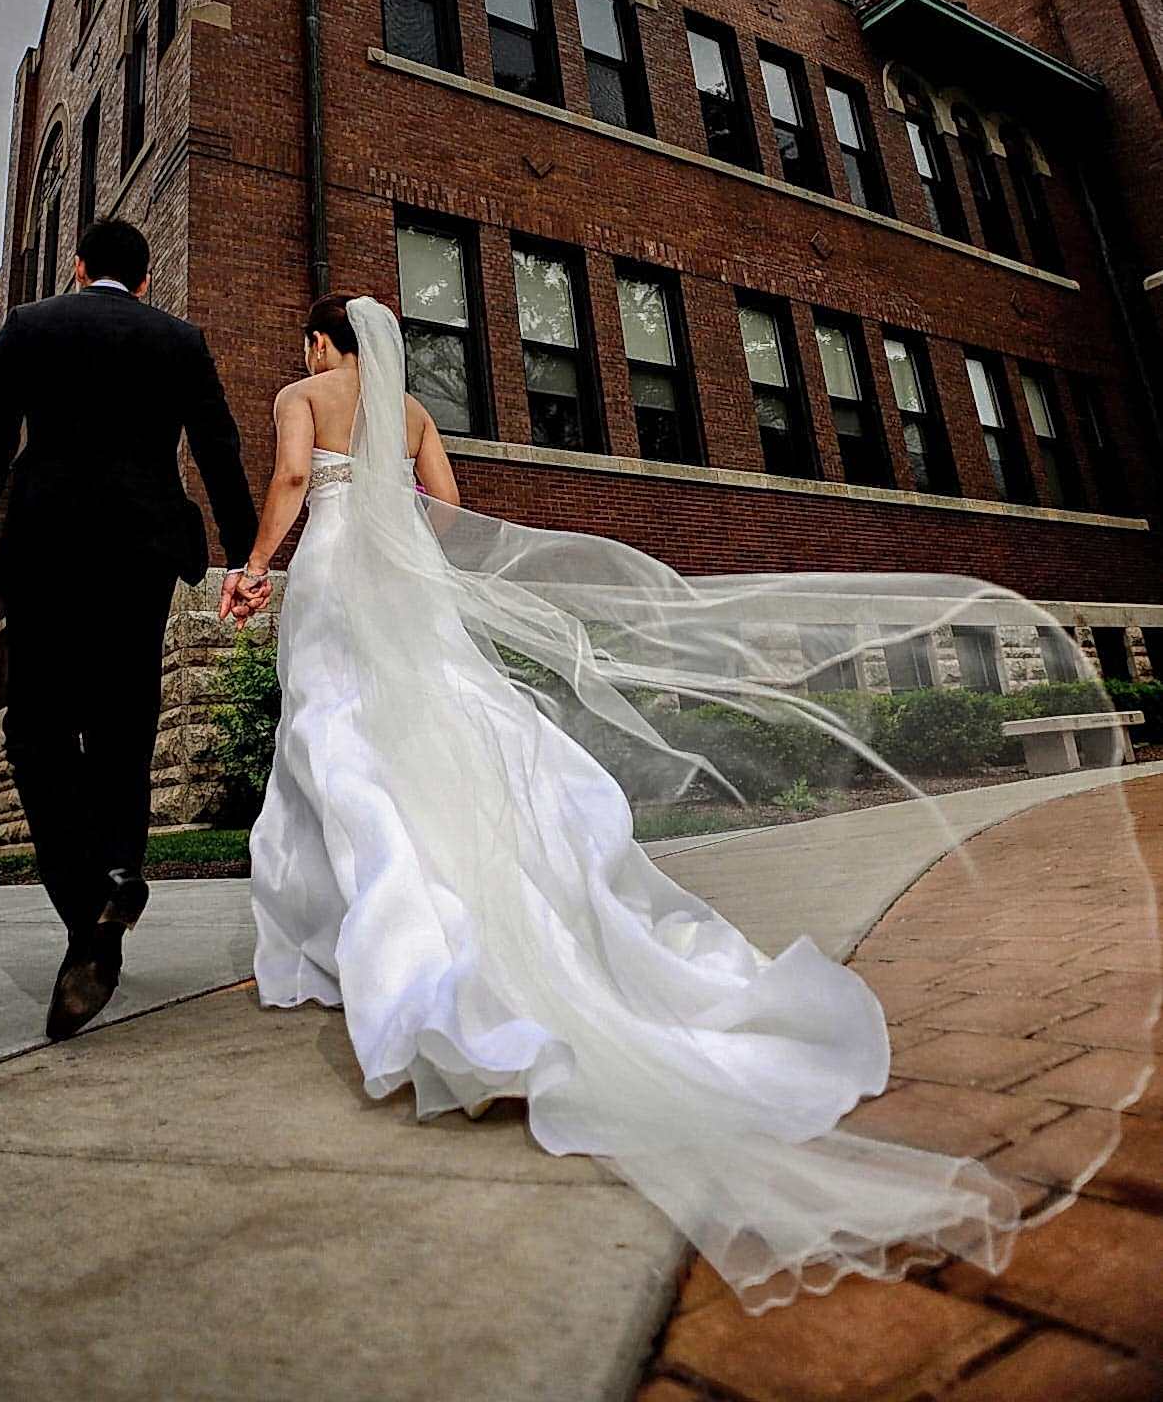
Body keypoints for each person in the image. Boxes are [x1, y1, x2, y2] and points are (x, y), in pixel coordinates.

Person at [239, 292, 1118, 1311]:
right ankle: (455, 903)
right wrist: (412, 553)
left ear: (318, 341)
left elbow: (295, 477)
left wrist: (259, 565)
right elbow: (443, 507)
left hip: (339, 572)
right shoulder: (414, 413)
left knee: (334, 739)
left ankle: (350, 939)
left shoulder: (300, 391)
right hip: (408, 579)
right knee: (454, 731)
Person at [0, 217, 263, 1041]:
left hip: (46, 545)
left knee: (38, 725)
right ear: (147, 280)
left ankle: (89, 899)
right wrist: (243, 554)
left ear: (79, 265)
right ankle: (119, 871)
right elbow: (218, 447)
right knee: (125, 717)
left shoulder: (31, 325)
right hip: (142, 546)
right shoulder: (179, 338)